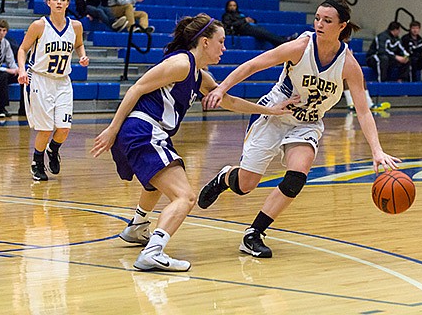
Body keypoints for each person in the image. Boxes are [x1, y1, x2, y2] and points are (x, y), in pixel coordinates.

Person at [90, 14, 297, 271]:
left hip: (147, 132)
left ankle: (137, 227)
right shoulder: (181, 64)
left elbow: (228, 101)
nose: (224, 47)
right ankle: (152, 252)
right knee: (185, 197)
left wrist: (272, 110)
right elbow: (136, 88)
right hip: (143, 130)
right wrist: (112, 129)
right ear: (204, 42)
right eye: (220, 41)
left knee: (157, 181)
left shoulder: (199, 75)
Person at [198, 0, 400, 258]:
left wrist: (377, 150)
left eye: (327, 20)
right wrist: (222, 88)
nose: (319, 24)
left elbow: (363, 110)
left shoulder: (348, 64)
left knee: (298, 175)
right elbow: (253, 65)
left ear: (342, 26)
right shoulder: (301, 46)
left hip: (307, 122)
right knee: (246, 185)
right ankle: (225, 177)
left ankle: (254, 234)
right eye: (317, 18)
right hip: (274, 113)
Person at [17, 0, 89, 181]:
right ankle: (37, 162)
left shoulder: (76, 26)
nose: (58, 2)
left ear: (67, 3)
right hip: (40, 79)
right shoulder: (38, 26)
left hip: (63, 81)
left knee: (64, 128)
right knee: (46, 128)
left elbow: (79, 44)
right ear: (48, 2)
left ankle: (53, 149)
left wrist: (82, 56)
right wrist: (22, 71)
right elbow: (23, 49)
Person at [222, 0, 296, 48]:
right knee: (264, 33)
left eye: (234, 5)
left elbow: (251, 20)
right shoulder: (226, 15)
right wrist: (244, 20)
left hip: (250, 26)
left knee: (265, 32)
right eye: (230, 5)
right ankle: (283, 41)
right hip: (241, 29)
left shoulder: (240, 14)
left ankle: (282, 39)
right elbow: (230, 25)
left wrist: (252, 20)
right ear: (227, 7)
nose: (232, 7)